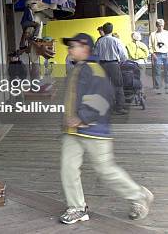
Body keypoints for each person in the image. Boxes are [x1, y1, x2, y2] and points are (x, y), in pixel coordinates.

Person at [59, 33, 153, 224]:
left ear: (85, 48)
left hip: (94, 131)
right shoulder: (79, 68)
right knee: (68, 168)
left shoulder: (94, 69)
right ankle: (77, 207)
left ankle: (139, 195)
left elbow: (104, 99)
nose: (69, 50)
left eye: (73, 46)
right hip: (72, 131)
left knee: (106, 170)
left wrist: (81, 118)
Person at [93, 22, 128, 114]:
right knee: (118, 86)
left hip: (102, 65)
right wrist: (120, 62)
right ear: (111, 30)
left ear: (103, 30)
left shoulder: (99, 41)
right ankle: (119, 108)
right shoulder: (116, 40)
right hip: (114, 65)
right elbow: (124, 55)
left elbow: (95, 55)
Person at [149, 19, 168, 94]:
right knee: (157, 72)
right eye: (159, 26)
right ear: (156, 26)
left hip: (166, 54)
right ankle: (158, 88)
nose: (161, 27)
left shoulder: (167, 33)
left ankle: (167, 88)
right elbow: (150, 45)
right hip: (157, 54)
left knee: (167, 71)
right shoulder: (153, 34)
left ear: (164, 25)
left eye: (162, 25)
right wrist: (153, 54)